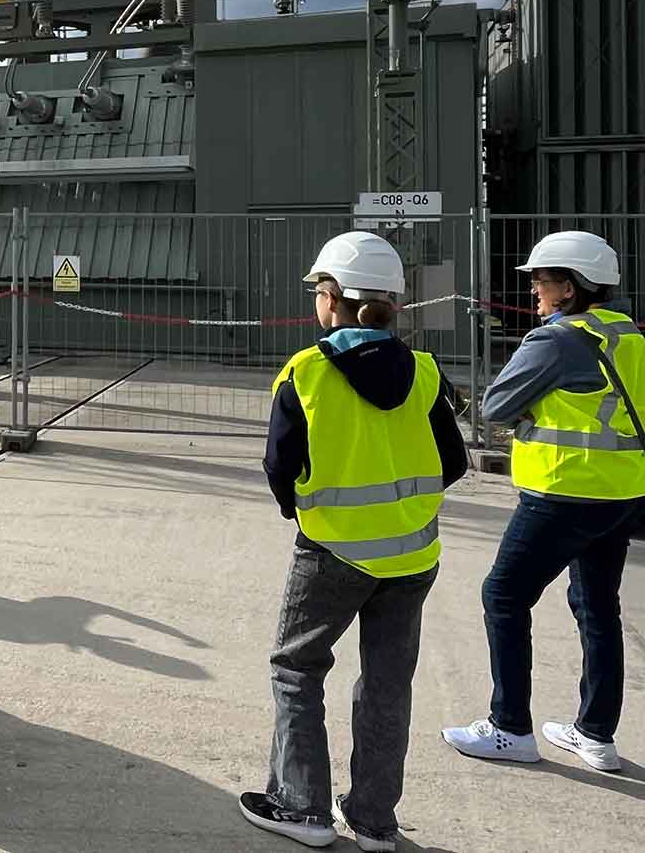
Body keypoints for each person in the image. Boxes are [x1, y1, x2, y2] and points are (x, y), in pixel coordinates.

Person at [239, 232, 466, 852]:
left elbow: (279, 465)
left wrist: (302, 508)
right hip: (412, 556)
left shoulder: (307, 373)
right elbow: (453, 462)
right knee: (388, 684)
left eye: (319, 290)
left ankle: (302, 808)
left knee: (297, 669)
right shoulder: (426, 372)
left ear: (333, 297)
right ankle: (374, 822)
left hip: (332, 553)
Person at [444, 231, 645, 774]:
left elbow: (496, 405)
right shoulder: (630, 336)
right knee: (598, 606)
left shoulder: (555, 340)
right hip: (621, 494)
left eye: (542, 280)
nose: (534, 289)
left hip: (562, 492)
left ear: (571, 288)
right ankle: (596, 735)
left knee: (503, 595)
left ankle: (509, 727)